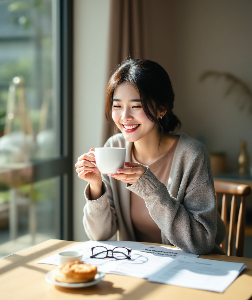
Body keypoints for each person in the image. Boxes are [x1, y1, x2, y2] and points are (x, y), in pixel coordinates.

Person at [75, 58, 226, 255]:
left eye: (136, 106)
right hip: (140, 267)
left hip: (192, 270)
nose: (125, 116)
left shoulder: (191, 154)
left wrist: (149, 187)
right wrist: (96, 186)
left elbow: (202, 241)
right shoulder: (115, 147)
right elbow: (100, 235)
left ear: (162, 108)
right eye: (117, 105)